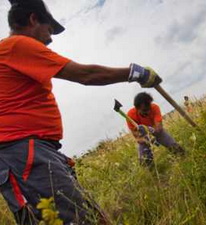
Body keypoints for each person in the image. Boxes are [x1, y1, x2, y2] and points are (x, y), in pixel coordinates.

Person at [0, 0, 162, 224]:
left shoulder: (11, 53)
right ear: (33, 20)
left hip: (34, 150)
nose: (50, 38)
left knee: (87, 216)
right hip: (24, 153)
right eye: (49, 29)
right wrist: (136, 73)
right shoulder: (17, 45)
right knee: (83, 219)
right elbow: (86, 75)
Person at [127, 93, 185, 167]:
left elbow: (159, 127)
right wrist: (145, 139)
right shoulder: (130, 115)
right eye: (144, 110)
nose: (148, 112)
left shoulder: (155, 107)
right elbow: (137, 138)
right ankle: (153, 173)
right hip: (144, 136)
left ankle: (184, 159)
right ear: (137, 108)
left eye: (149, 108)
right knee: (144, 160)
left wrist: (149, 130)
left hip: (156, 131)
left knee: (174, 146)